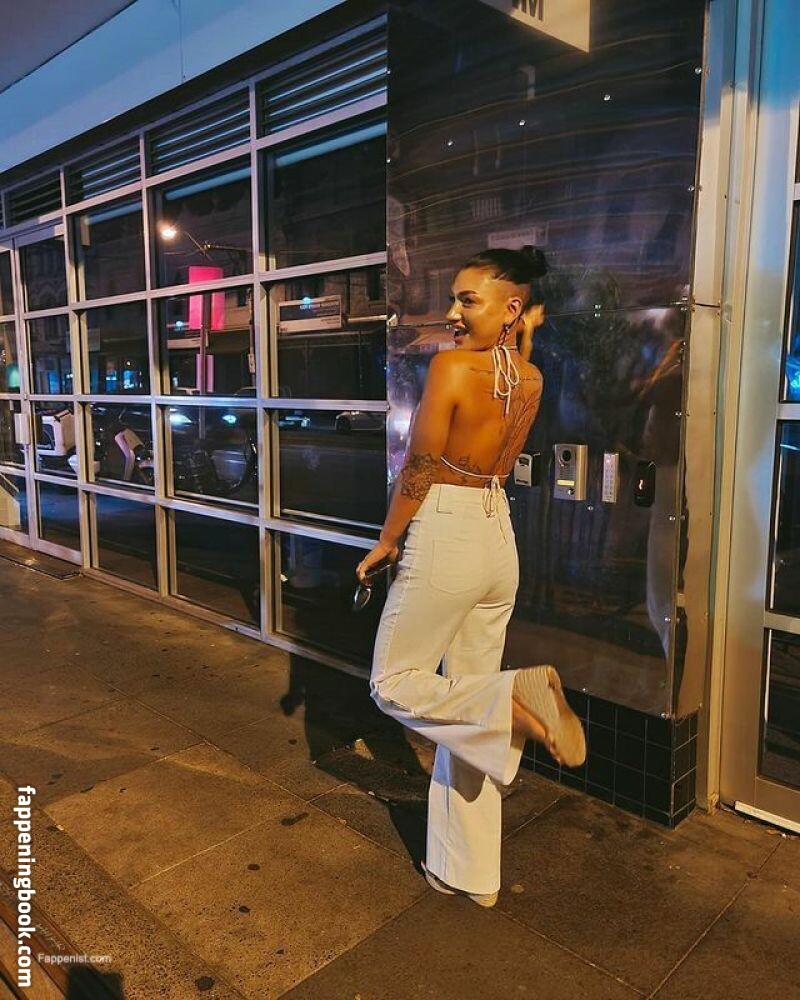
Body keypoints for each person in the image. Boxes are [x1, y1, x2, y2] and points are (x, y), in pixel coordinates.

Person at [356, 246, 586, 909]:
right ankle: (469, 874)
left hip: (448, 529)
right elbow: (502, 410)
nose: (453, 313)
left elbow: (421, 464)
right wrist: (523, 333)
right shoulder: (531, 378)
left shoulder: (452, 367)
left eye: (467, 300)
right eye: (454, 299)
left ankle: (510, 699)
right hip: (496, 537)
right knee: (470, 720)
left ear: (509, 307)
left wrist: (389, 539)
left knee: (393, 683)